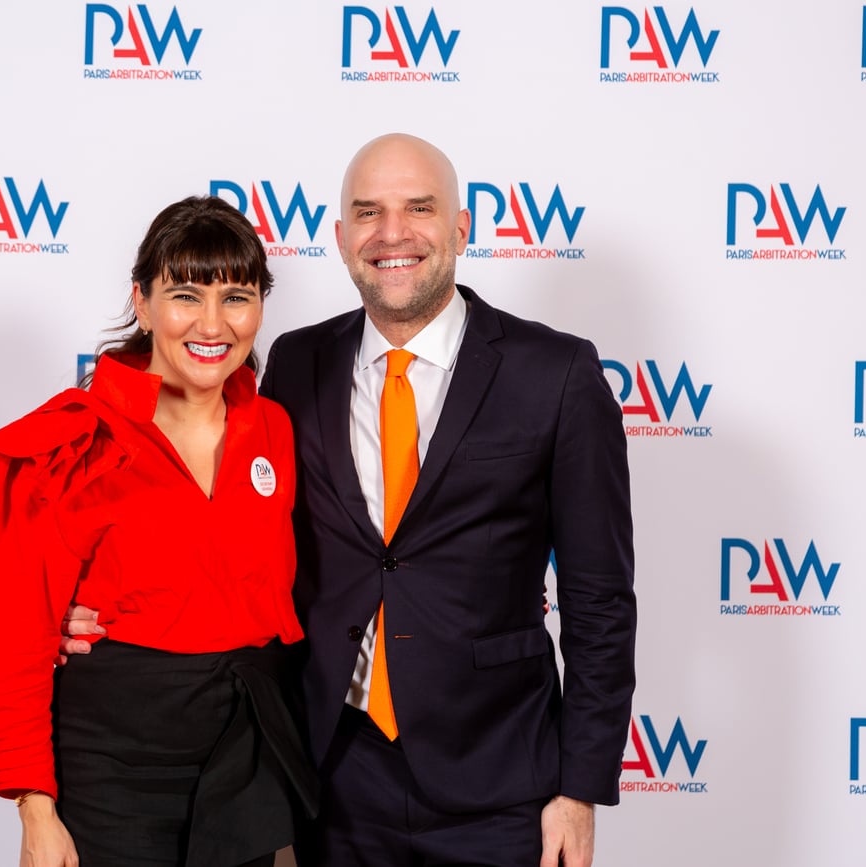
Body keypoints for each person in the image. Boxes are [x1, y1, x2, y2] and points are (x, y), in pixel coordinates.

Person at [65, 133, 637, 866]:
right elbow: (230, 533)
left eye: (419, 208)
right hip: (331, 778)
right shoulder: (298, 362)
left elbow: (600, 601)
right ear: (340, 238)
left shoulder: (555, 372)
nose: (392, 233)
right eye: (368, 213)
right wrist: (87, 611)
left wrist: (580, 789)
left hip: (500, 783)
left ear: (462, 227)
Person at [0, 195, 316, 867]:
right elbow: (2, 635)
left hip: (244, 753)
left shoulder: (273, 428)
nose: (213, 323)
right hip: (114, 766)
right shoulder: (75, 441)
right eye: (185, 296)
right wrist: (36, 808)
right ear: (142, 303)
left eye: (236, 297)